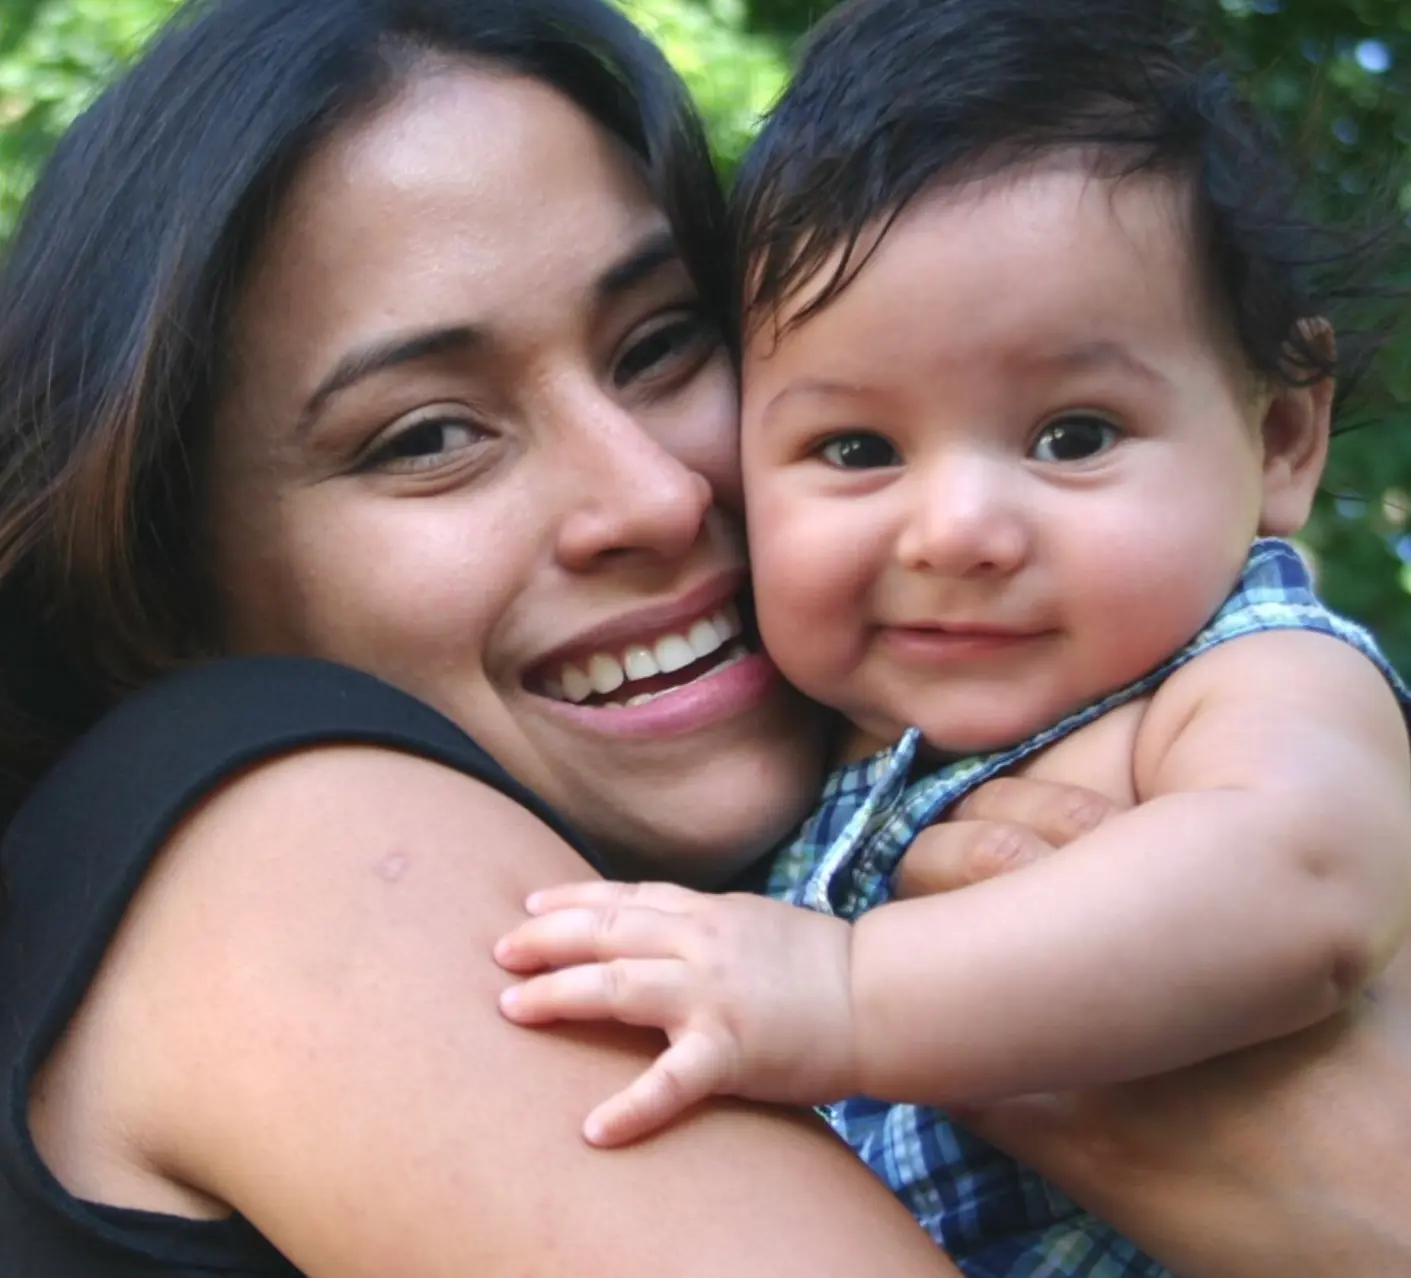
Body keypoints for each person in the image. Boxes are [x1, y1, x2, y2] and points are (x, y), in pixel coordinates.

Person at [0, 1, 1408, 1276]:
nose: (657, 495)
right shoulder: (275, 830)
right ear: (166, 579)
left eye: (660, 344)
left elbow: (1297, 865)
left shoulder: (1214, 680)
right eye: (426, 436)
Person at [493, 0, 1411, 1272]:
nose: (959, 530)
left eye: (1072, 435)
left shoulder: (1254, 672)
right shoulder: (801, 770)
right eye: (857, 449)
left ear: (1275, 441)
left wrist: (844, 995)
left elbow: (1298, 885)